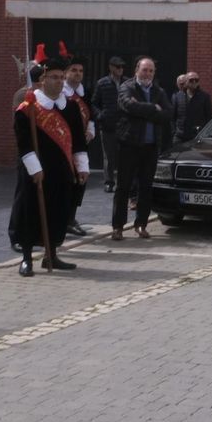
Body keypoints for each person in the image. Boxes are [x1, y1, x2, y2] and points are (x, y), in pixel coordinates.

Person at [10, 53, 87, 275]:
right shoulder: (28, 107)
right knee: (29, 210)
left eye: (61, 77)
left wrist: (82, 165)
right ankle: (26, 259)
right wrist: (36, 169)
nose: (59, 81)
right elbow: (23, 142)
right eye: (54, 77)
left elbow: (78, 139)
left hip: (61, 168)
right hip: (35, 169)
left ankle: (51, 254)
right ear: (43, 80)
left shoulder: (70, 107)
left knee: (58, 210)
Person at [112, 57, 172, 240]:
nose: (147, 74)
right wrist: (154, 108)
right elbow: (128, 106)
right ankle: (118, 227)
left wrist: (143, 110)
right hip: (129, 145)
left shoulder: (158, 91)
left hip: (150, 147)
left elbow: (168, 114)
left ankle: (141, 225)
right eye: (144, 70)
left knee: (146, 187)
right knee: (123, 187)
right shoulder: (127, 87)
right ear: (137, 70)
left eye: (151, 71)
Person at [62, 56, 95, 238]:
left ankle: (71, 218)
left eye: (80, 71)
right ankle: (63, 219)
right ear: (66, 73)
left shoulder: (85, 92)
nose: (77, 74)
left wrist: (91, 130)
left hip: (81, 144)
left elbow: (91, 114)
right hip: (65, 144)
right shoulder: (62, 94)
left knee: (80, 182)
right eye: (74, 70)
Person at [93, 56, 125, 192]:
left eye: (122, 67)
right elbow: (94, 103)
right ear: (111, 67)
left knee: (124, 156)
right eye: (118, 67)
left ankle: (123, 182)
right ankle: (109, 182)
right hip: (107, 125)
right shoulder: (102, 83)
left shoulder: (127, 82)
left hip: (124, 125)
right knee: (109, 156)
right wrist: (100, 116)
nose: (121, 69)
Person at [178, 71, 212, 142]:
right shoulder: (178, 96)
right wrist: (175, 131)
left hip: (197, 136)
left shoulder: (204, 97)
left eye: (196, 80)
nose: (194, 82)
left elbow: (210, 117)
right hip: (180, 136)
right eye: (191, 80)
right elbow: (173, 117)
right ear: (185, 82)